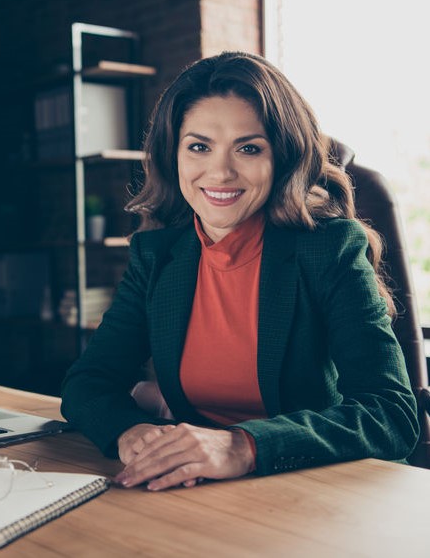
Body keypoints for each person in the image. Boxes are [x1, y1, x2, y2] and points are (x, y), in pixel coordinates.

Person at [60, 52, 419, 491]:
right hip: (196, 492)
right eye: (199, 147)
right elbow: (88, 381)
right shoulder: (158, 255)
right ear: (173, 156)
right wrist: (131, 433)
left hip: (314, 490)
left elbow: (391, 414)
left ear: (282, 159)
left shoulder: (329, 249)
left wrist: (242, 446)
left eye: (248, 148)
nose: (221, 171)